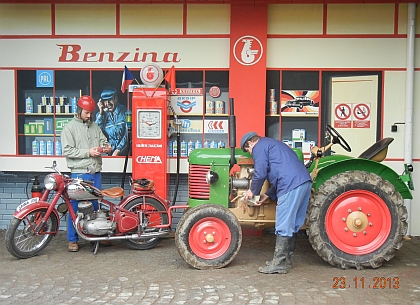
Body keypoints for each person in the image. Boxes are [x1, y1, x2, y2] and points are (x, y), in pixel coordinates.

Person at [240, 132, 312, 274]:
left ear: (249, 143)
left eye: (247, 150)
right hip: (304, 182)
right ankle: (286, 261)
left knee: (284, 223)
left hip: (290, 184)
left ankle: (279, 263)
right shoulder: (274, 144)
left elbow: (260, 173)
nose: (250, 152)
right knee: (293, 223)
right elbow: (283, 170)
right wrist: (268, 194)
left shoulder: (259, 147)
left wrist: (252, 191)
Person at [61, 95, 112, 252]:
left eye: (91, 113)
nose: (89, 116)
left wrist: (107, 147)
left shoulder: (95, 126)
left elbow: (104, 141)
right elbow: (67, 150)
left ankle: (95, 236)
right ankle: (72, 240)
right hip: (79, 174)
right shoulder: (69, 128)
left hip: (95, 172)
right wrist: (88, 152)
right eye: (86, 113)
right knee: (75, 208)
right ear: (78, 111)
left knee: (96, 207)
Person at [95, 87, 129, 156]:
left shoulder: (125, 112)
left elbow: (128, 134)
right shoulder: (101, 115)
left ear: (115, 98)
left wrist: (118, 150)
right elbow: (96, 132)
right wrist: (101, 113)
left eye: (110, 99)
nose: (107, 103)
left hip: (126, 153)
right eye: (105, 101)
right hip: (109, 153)